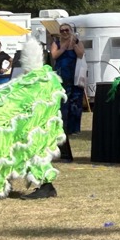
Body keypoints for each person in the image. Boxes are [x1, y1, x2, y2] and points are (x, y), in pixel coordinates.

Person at [50, 23, 85, 159]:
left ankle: (74, 128)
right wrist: (64, 47)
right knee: (63, 102)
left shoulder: (76, 41)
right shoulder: (57, 43)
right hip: (62, 76)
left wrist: (73, 43)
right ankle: (63, 126)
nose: (64, 32)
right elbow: (54, 56)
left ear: (70, 31)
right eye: (62, 30)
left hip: (74, 76)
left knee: (75, 102)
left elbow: (81, 54)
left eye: (67, 30)